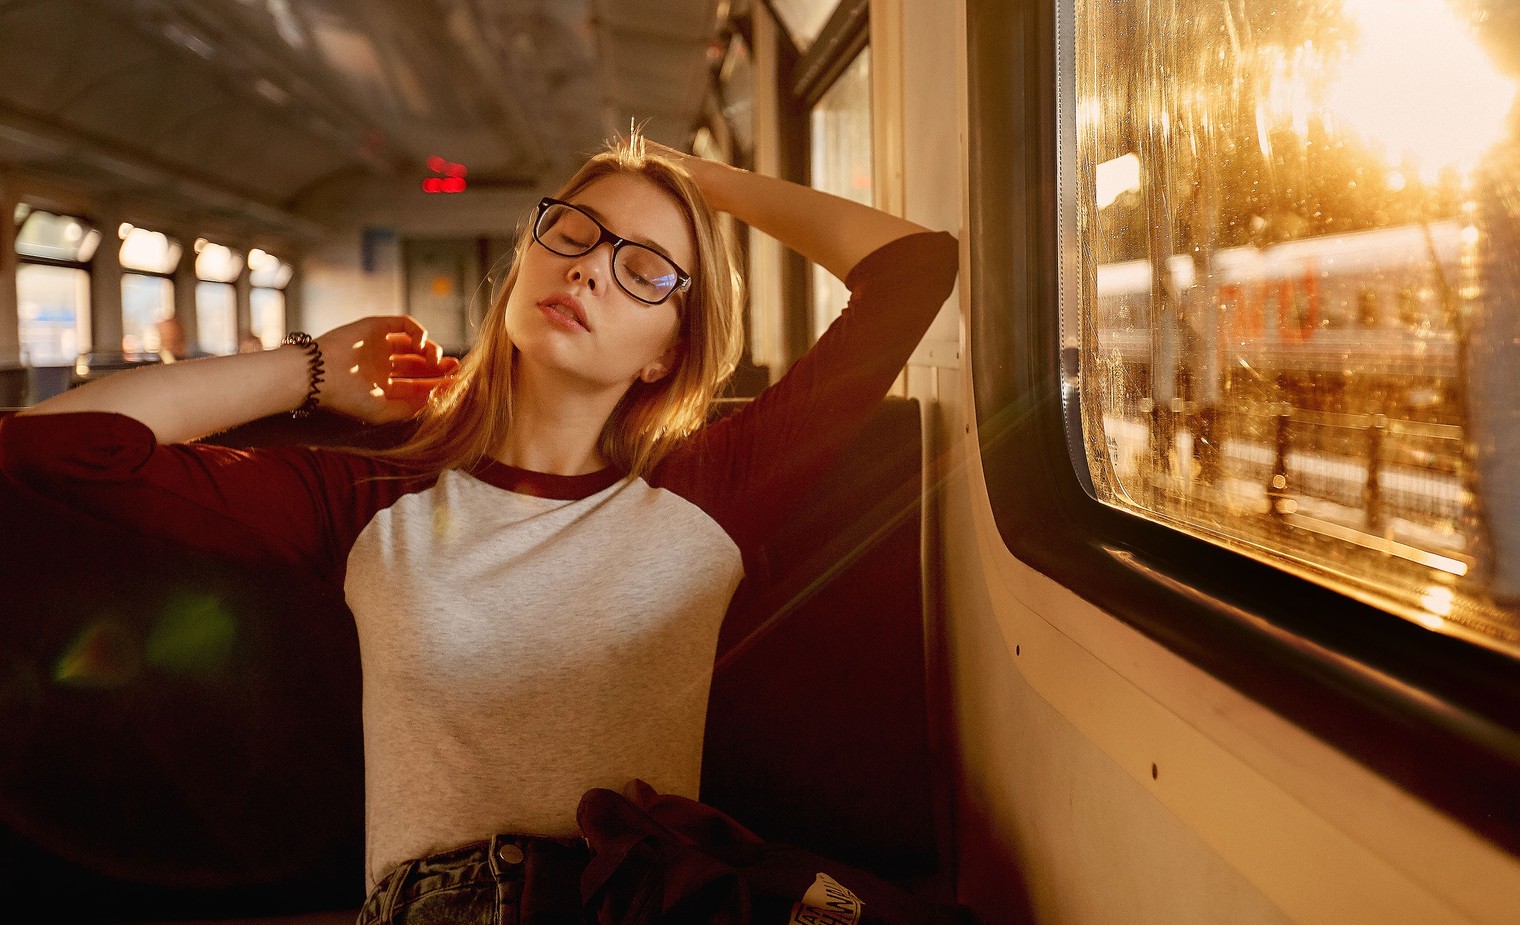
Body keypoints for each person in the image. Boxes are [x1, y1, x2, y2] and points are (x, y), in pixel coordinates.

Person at [0, 133, 958, 923]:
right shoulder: (375, 498)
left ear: (669, 354)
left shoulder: (713, 491)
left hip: (637, 897)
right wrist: (308, 369)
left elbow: (912, 268)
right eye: (575, 232)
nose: (589, 269)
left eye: (645, 268)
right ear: (526, 259)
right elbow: (51, 449)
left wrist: (691, 176)